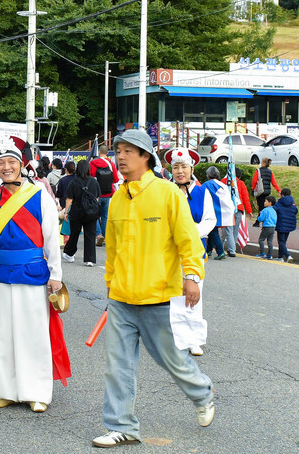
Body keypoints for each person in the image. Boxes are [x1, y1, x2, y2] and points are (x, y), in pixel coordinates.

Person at [93, 130, 213, 448]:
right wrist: (110, 284)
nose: (120, 156)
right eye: (118, 150)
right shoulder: (118, 198)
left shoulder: (167, 193)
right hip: (121, 298)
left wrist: (191, 277)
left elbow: (189, 240)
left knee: (172, 360)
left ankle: (202, 393)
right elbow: (113, 250)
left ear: (146, 156)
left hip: (158, 296)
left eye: (128, 151)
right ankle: (122, 426)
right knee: (118, 365)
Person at [0, 135, 67, 413]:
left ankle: (37, 391)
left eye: (11, 162)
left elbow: (52, 239)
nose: (6, 167)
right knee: (2, 332)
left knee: (33, 332)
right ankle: (5, 389)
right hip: (2, 271)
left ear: (21, 165)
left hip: (33, 271)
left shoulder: (39, 194)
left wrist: (56, 275)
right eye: (1, 162)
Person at [165, 147, 214, 357]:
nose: (179, 171)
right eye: (175, 167)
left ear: (191, 168)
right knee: (176, 295)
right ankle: (179, 338)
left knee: (195, 294)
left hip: (195, 252)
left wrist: (190, 234)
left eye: (183, 166)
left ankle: (195, 340)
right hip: (171, 252)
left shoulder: (204, 192)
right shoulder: (166, 191)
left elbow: (210, 220)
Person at [62, 160, 101, 266]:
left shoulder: (74, 182)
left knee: (74, 234)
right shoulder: (94, 181)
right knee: (90, 235)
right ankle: (90, 259)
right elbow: (96, 198)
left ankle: (69, 253)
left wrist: (66, 212)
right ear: (89, 169)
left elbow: (69, 199)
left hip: (76, 211)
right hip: (91, 212)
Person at [202, 167, 235, 259]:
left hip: (212, 211)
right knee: (213, 231)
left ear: (208, 175)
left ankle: (220, 251)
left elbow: (202, 196)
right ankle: (209, 250)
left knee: (213, 232)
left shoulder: (207, 184)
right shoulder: (222, 184)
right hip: (223, 211)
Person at [90, 145, 120, 241]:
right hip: (107, 193)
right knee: (104, 216)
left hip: (95, 193)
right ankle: (105, 237)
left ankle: (98, 235)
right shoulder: (111, 164)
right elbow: (116, 179)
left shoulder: (92, 163)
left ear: (99, 152)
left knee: (94, 215)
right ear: (107, 153)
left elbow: (90, 177)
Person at [221, 170, 252, 256]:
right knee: (235, 231)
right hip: (238, 209)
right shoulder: (241, 183)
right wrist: (249, 211)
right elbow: (246, 198)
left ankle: (221, 247)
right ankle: (232, 249)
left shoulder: (224, 182)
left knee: (225, 230)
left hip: (227, 209)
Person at [251, 158, 281, 225]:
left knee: (261, 206)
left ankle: (258, 221)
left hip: (260, 191)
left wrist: (253, 189)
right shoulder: (270, 172)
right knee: (265, 206)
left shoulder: (258, 171)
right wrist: (278, 190)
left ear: (263, 163)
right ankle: (263, 219)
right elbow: (273, 182)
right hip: (267, 191)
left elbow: (254, 181)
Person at [274, 189, 298, 262]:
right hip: (290, 224)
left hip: (281, 223)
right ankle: (280, 257)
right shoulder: (292, 203)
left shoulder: (279, 202)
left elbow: (274, 210)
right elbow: (296, 211)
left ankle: (288, 255)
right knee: (283, 242)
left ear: (282, 194)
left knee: (281, 242)